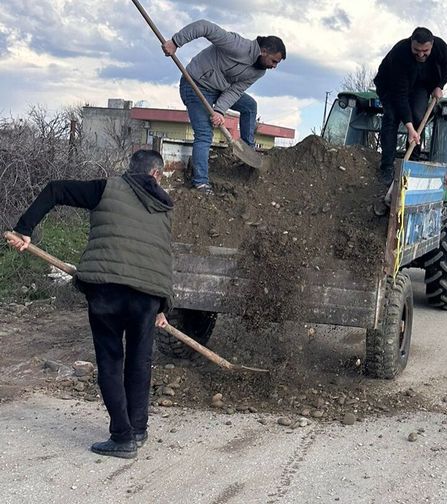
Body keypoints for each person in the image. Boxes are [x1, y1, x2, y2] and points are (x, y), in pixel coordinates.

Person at [5, 150, 175, 459]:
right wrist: (163, 305)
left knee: (110, 360)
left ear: (130, 169)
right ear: (157, 175)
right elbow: (164, 256)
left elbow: (56, 189)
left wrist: (23, 230)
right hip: (147, 295)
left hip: (107, 289)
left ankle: (122, 437)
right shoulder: (165, 206)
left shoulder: (107, 187)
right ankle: (137, 430)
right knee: (139, 362)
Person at [162, 20, 285, 195]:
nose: (274, 66)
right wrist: (175, 42)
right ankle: (201, 183)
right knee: (205, 134)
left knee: (249, 105)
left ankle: (247, 151)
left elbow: (236, 90)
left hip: (219, 90)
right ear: (264, 51)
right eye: (274, 61)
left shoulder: (259, 71)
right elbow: (204, 26)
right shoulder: (237, 45)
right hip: (195, 84)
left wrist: (220, 110)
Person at [373, 27, 447, 186]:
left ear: (432, 45)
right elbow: (400, 96)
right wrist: (409, 128)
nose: (421, 54)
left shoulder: (440, 47)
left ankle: (412, 162)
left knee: (418, 116)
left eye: (425, 50)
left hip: (420, 84)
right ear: (411, 42)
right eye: (417, 50)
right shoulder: (400, 54)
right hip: (390, 86)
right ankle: (387, 166)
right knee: (392, 117)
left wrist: (439, 85)